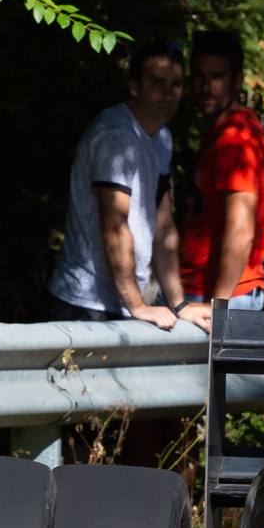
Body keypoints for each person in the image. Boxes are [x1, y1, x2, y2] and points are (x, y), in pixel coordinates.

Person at [47, 41, 201, 331]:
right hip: (85, 302)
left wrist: (179, 304)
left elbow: (163, 225)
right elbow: (114, 225)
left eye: (176, 85)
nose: (168, 94)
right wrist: (137, 306)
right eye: (157, 83)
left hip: (122, 301)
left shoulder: (162, 138)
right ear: (135, 87)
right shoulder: (115, 135)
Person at [177, 30, 264, 329]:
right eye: (199, 75)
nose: (206, 87)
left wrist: (219, 307)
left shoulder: (235, 140)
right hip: (221, 293)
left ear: (236, 80)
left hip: (216, 297)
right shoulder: (230, 129)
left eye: (217, 76)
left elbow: (240, 227)